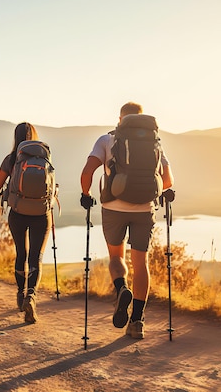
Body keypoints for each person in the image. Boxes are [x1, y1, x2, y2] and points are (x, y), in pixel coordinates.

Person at [79, 101, 174, 339]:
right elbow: (169, 180)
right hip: (144, 209)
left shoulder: (106, 140)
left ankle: (122, 289)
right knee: (140, 263)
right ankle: (137, 321)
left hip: (113, 207)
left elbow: (87, 172)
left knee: (116, 257)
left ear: (120, 119)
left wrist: (86, 195)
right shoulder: (154, 142)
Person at [0, 122, 52, 324]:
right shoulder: (44, 157)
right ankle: (31, 297)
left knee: (21, 253)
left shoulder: (11, 159)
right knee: (36, 258)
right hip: (42, 213)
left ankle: (20, 293)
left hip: (17, 213)